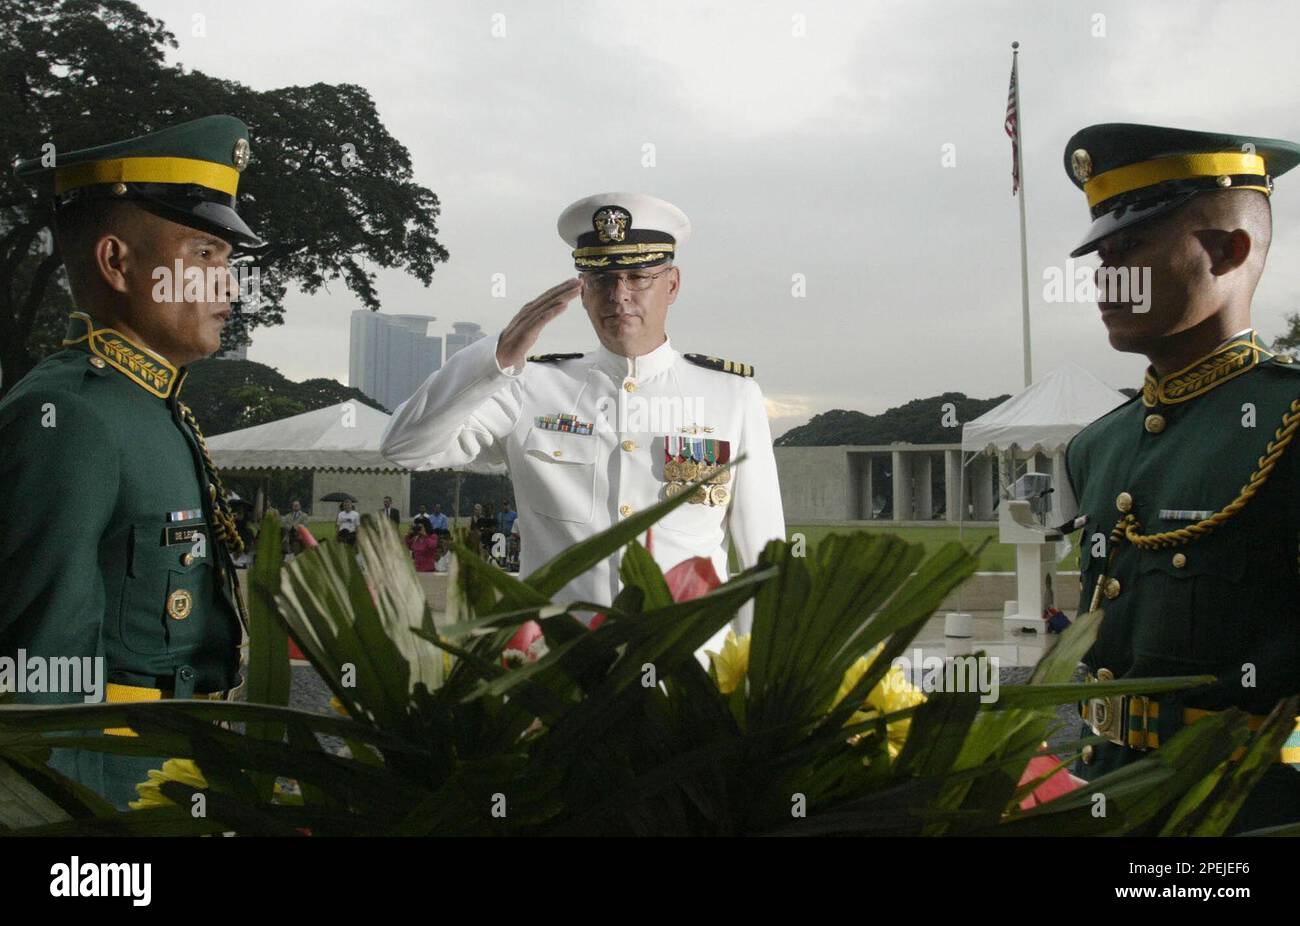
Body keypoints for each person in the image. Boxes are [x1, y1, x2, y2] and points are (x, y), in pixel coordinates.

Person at [380, 193, 785, 646]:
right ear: (582, 291)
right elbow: (405, 447)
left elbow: (760, 557)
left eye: (638, 277)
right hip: (556, 671)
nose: (620, 296)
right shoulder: (529, 386)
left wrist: (753, 680)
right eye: (602, 280)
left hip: (687, 671)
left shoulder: (730, 395)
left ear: (672, 285)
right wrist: (496, 358)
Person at [0, 115, 263, 809]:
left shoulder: (153, 405)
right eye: (205, 254)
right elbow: (34, 673)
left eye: (227, 262)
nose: (227, 288)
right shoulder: (73, 417)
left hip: (176, 773)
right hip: (107, 797)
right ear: (117, 262)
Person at [1062, 123, 1300, 831]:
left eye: (1130, 249)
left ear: (1229, 251)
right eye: (1099, 256)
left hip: (1250, 812)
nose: (1106, 279)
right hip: (1107, 798)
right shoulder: (1099, 445)